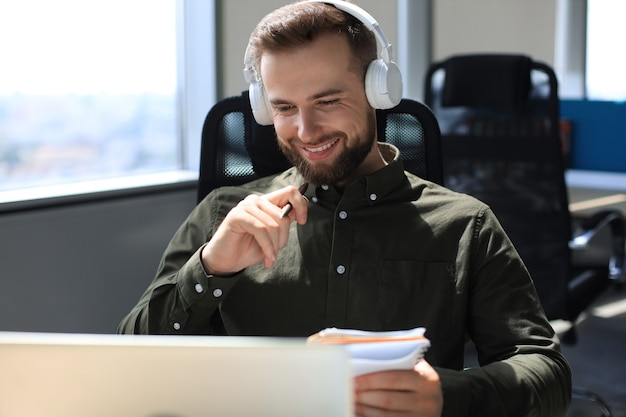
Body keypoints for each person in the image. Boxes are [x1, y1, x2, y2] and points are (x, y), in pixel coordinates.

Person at [118, 1, 572, 416]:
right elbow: (130, 358)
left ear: (379, 91)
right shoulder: (223, 215)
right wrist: (211, 268)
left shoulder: (464, 225)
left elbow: (545, 370)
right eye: (284, 107)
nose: (305, 130)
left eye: (328, 101)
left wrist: (448, 396)